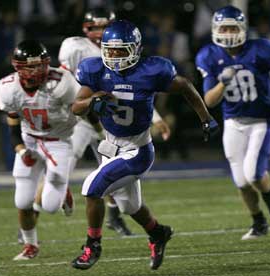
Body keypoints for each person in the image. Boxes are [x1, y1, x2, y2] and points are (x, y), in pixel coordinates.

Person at [70, 20, 218, 270]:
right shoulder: (94, 70)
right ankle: (158, 232)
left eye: (120, 50)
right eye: (110, 50)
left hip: (137, 150)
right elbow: (76, 106)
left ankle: (92, 246)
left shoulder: (151, 70)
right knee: (130, 206)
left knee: (91, 189)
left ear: (135, 49)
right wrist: (93, 102)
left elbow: (184, 86)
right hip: (111, 146)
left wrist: (206, 118)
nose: (114, 56)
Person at [58, 9, 171, 236]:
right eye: (94, 28)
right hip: (83, 119)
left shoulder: (133, 62)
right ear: (85, 29)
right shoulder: (77, 50)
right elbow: (69, 89)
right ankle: (54, 197)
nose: (99, 33)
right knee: (66, 165)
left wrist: (156, 118)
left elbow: (137, 95)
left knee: (110, 181)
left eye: (103, 27)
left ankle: (113, 217)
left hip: (112, 125)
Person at [195, 5, 270, 240]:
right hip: (233, 121)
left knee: (253, 174)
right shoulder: (209, 55)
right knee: (240, 180)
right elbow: (210, 101)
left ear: (242, 28)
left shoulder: (260, 49)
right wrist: (222, 82)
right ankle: (258, 222)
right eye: (224, 28)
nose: (229, 33)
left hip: (262, 120)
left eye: (233, 27)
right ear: (215, 29)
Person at [0, 40, 80, 260]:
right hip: (30, 139)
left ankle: (62, 189)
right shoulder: (8, 88)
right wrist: (22, 150)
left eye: (40, 65)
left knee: (50, 206)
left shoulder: (62, 82)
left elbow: (84, 110)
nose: (36, 71)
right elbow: (12, 124)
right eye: (30, 67)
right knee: (22, 201)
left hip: (59, 141)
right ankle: (30, 245)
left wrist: (99, 132)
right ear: (18, 67)